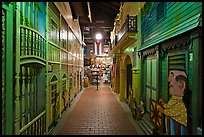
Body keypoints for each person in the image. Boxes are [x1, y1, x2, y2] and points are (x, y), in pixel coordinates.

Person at [159, 70, 188, 135]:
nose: (169, 86)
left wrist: (163, 111)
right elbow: (169, 107)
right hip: (171, 123)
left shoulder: (180, 104)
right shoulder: (173, 100)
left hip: (178, 125)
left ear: (181, 84)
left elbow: (173, 112)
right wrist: (163, 104)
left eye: (171, 85)